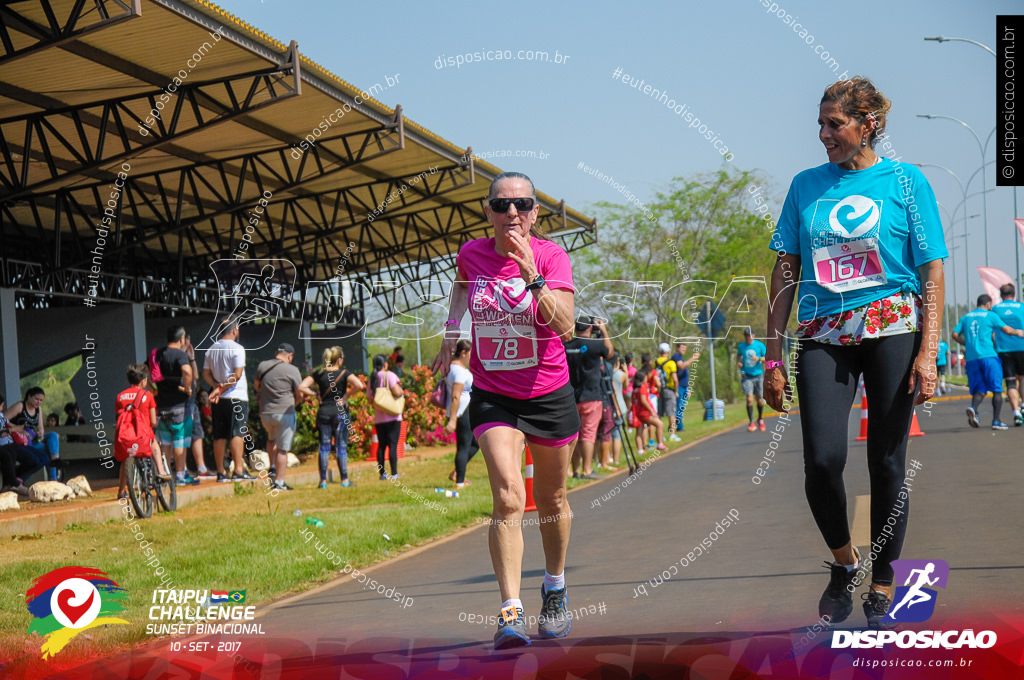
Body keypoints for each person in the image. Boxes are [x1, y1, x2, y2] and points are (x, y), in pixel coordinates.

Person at [764, 78, 947, 627]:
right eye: (819, 125)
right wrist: (773, 356)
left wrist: (928, 350)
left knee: (886, 462)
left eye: (834, 124)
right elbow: (785, 271)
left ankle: (885, 578)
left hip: (892, 323)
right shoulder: (805, 186)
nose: (824, 135)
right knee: (823, 460)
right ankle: (845, 562)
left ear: (868, 124)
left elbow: (931, 267)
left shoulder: (907, 182)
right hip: (822, 330)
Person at [430, 171, 579, 648]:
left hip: (548, 391)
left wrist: (531, 273)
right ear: (488, 211)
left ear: (536, 213)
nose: (511, 212)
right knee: (511, 497)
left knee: (552, 501)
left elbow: (567, 326)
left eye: (522, 205)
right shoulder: (471, 254)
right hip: (495, 393)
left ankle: (554, 588)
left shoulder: (553, 257)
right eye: (501, 205)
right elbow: (459, 288)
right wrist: (453, 328)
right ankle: (510, 612)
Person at [952, 294, 1024, 430]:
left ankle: (974, 409)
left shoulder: (966, 317)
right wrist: (1018, 332)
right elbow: (1007, 330)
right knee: (997, 389)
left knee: (979, 389)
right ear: (989, 304)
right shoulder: (991, 316)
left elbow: (954, 334)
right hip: (989, 357)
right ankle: (996, 421)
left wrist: (966, 343)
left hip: (972, 359)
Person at [300, 346, 363, 488]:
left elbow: (301, 386)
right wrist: (346, 397)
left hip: (324, 413)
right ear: (339, 360)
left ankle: (322, 482)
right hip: (340, 413)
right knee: (341, 446)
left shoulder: (319, 374)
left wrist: (315, 395)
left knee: (324, 447)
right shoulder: (344, 373)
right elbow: (359, 385)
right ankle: (345, 480)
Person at [202, 320, 255, 483]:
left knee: (219, 435)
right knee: (237, 432)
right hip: (236, 396)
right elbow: (238, 374)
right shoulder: (237, 349)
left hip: (219, 399)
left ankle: (220, 472)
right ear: (234, 330)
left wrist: (216, 387)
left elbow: (206, 374)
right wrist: (221, 388)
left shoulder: (211, 349)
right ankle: (238, 470)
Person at [254, 343, 312, 491]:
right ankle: (279, 482)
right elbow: (300, 392)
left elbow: (256, 386)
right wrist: (295, 403)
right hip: (285, 412)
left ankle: (272, 467)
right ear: (290, 356)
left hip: (266, 413)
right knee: (282, 449)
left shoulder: (263, 366)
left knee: (271, 439)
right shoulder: (292, 370)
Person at [565, 316, 613, 479]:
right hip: (592, 395)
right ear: (591, 329)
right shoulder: (595, 345)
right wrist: (605, 331)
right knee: (588, 434)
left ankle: (575, 470)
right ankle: (587, 470)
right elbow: (609, 353)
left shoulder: (567, 346)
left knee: (574, 434)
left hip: (572, 397)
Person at [114, 363, 170, 499]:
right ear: (144, 380)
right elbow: (152, 421)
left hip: (126, 436)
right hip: (143, 435)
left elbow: (119, 417)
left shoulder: (120, 396)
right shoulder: (147, 395)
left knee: (125, 461)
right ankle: (162, 471)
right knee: (154, 442)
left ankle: (121, 491)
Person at [153, 326, 198, 486]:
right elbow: (187, 371)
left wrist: (154, 390)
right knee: (180, 441)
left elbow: (146, 372)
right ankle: (180, 475)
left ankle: (165, 474)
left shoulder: (157, 354)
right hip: (179, 405)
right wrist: (187, 388)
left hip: (162, 405)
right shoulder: (180, 354)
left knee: (165, 442)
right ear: (181, 339)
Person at [4, 387, 61, 481]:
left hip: (33, 439)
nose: (38, 402)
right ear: (29, 396)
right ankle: (53, 479)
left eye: (41, 400)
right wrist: (17, 428)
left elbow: (40, 426)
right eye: (36, 399)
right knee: (46, 451)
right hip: (20, 441)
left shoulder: (38, 409)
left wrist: (41, 433)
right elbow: (2, 419)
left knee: (53, 435)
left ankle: (55, 459)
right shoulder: (20, 406)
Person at [444, 340, 479, 489]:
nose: (471, 356)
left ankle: (457, 473)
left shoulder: (451, 368)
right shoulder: (458, 371)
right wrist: (452, 420)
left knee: (474, 444)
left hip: (461, 411)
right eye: (470, 353)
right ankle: (459, 482)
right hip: (462, 411)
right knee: (464, 447)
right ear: (463, 353)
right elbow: (456, 396)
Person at [992, 283, 1024, 426]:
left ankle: (1016, 413)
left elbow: (992, 332)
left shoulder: (995, 309)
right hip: (1021, 347)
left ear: (1001, 295)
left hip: (1003, 350)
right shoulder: (1021, 307)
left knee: (1010, 382)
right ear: (1014, 294)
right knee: (1022, 379)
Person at [368, 354, 403, 480]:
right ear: (385, 364)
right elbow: (397, 391)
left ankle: (382, 474)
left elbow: (369, 398)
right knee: (393, 445)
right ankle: (394, 473)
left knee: (381, 446)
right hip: (393, 416)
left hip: (379, 418)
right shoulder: (390, 375)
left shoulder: (372, 378)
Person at [0, 396, 45, 494]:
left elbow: (10, 426)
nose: (3, 408)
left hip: (9, 443)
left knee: (31, 459)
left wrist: (21, 429)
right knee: (8, 454)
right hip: (2, 445)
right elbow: (7, 429)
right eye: (2, 405)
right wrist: (11, 430)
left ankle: (9, 483)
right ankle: (14, 484)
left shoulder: (1, 416)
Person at [737, 329, 767, 432]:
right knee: (749, 398)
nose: (748, 337)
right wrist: (739, 362)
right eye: (746, 335)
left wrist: (758, 359)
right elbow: (739, 356)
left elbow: (767, 358)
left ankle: (760, 419)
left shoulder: (760, 345)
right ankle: (751, 422)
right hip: (746, 375)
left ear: (753, 335)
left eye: (749, 335)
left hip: (758, 375)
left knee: (759, 399)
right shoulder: (741, 346)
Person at [630, 368, 662, 454]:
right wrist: (652, 411)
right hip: (644, 412)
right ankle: (660, 443)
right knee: (659, 424)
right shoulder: (643, 387)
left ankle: (640, 449)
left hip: (637, 412)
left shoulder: (635, 389)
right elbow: (644, 401)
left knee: (639, 431)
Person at [670, 342, 700, 432]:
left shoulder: (681, 358)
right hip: (679, 387)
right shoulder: (676, 357)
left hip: (684, 387)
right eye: (682, 347)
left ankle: (679, 426)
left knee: (682, 408)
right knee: (679, 408)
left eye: (685, 348)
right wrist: (693, 358)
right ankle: (679, 428)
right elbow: (682, 366)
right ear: (677, 348)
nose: (684, 349)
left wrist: (688, 389)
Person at [654, 343, 680, 440]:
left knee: (659, 413)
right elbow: (675, 379)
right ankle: (672, 434)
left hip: (659, 389)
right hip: (669, 390)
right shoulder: (671, 363)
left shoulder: (655, 362)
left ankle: (660, 435)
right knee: (671, 413)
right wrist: (676, 390)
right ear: (668, 352)